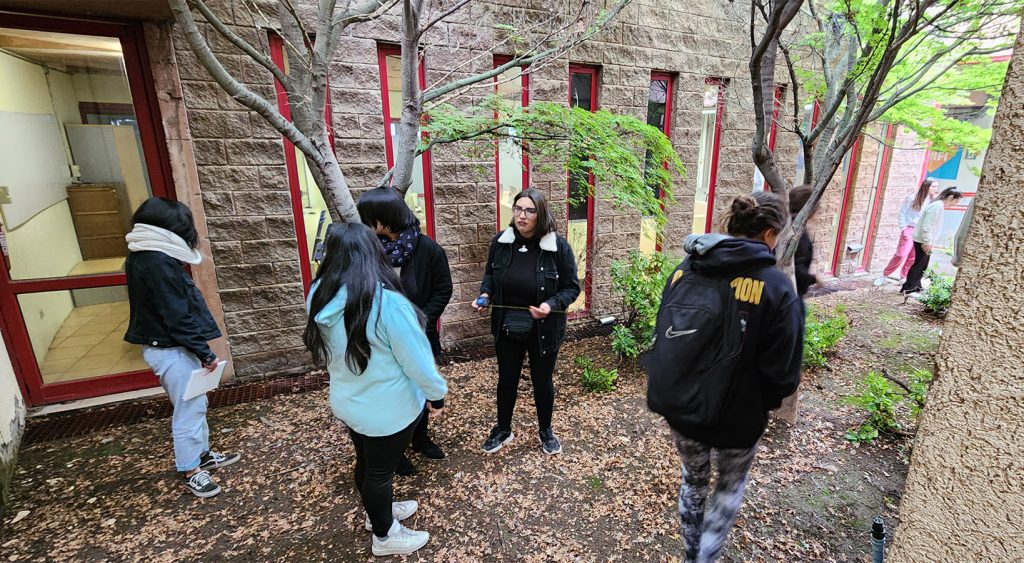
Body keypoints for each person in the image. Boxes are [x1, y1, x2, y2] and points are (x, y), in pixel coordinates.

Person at [647, 192, 804, 563]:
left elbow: (662, 330)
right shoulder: (778, 288)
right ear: (770, 233)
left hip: (682, 408)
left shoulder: (685, 269)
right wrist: (761, 401)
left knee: (693, 480)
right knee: (729, 488)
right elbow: (783, 375)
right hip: (739, 417)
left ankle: (690, 556)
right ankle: (706, 558)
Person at [303, 222, 448, 557]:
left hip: (349, 401)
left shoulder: (319, 293)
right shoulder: (386, 304)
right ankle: (384, 535)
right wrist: (435, 394)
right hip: (389, 408)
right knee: (379, 473)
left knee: (367, 463)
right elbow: (417, 360)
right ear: (373, 255)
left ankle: (378, 512)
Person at [124, 197, 239, 499]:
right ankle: (191, 470)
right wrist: (205, 353)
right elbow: (176, 315)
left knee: (196, 403)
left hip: (171, 346)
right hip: (170, 348)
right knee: (188, 408)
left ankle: (202, 456)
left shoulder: (142, 256)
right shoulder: (157, 261)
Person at [472, 188, 580, 455]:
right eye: (518, 208)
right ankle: (503, 430)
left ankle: (546, 431)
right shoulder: (501, 242)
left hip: (544, 328)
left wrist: (550, 305)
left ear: (540, 214)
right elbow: (490, 274)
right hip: (507, 322)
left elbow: (571, 288)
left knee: (541, 380)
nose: (522, 215)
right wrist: (485, 294)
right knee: (506, 379)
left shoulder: (558, 247)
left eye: (529, 210)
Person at [357, 187, 453, 472]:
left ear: (385, 218)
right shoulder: (368, 250)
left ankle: (421, 439)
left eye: (369, 217)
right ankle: (396, 450)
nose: (365, 222)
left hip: (420, 334)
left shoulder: (428, 249)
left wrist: (420, 321)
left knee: (421, 389)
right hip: (379, 339)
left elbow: (443, 289)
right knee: (392, 393)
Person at [874, 178, 938, 286]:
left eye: (937, 187)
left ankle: (903, 276)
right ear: (926, 186)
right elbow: (902, 212)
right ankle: (884, 275)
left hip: (922, 232)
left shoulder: (933, 202)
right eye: (933, 186)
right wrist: (903, 227)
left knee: (913, 256)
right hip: (910, 229)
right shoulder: (913, 198)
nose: (935, 189)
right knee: (901, 254)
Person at [901, 187, 963, 295]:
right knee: (919, 264)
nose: (955, 204)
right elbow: (927, 226)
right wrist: (927, 242)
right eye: (956, 201)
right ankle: (910, 288)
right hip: (923, 241)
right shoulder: (937, 207)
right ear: (951, 197)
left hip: (925, 240)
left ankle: (914, 286)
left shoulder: (938, 206)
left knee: (923, 264)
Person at [790, 184, 821, 298]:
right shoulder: (798, 234)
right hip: (792, 294)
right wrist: (815, 279)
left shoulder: (788, 224)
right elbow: (795, 269)